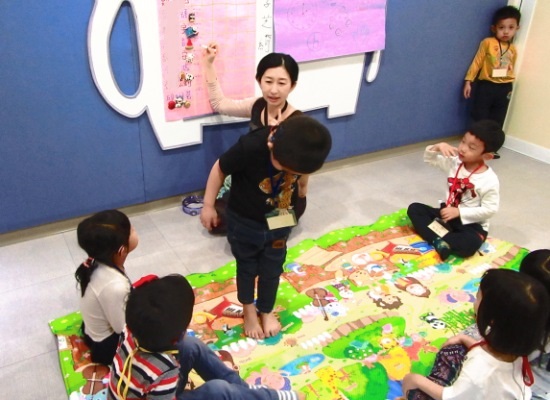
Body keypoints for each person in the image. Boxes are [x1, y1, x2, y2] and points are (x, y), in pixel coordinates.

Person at [200, 115, 332, 339]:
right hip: (244, 220)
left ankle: (266, 309)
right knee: (247, 267)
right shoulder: (251, 146)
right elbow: (219, 168)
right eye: (284, 166)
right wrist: (208, 205)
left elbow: (303, 173)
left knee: (272, 268)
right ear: (271, 142)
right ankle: (249, 310)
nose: (289, 171)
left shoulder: (301, 154)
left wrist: (302, 188)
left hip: (280, 220)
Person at [108, 274, 305, 400]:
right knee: (218, 390)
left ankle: (244, 392)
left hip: (145, 388)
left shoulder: (132, 329)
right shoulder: (163, 370)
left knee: (191, 345)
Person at [399, 268, 550, 400]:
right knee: (454, 349)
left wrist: (415, 380)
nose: (474, 301)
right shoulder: (517, 345)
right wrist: (465, 339)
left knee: (413, 384)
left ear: (492, 317)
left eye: (478, 297)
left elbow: (451, 397)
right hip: (494, 390)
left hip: (468, 392)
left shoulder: (479, 370)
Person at [203, 46, 307, 232]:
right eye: (268, 81)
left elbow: (304, 166)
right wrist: (209, 65)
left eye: (282, 83)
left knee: (272, 229)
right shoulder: (257, 106)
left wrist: (302, 191)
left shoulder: (297, 122)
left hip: (281, 190)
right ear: (259, 80)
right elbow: (220, 104)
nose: (273, 90)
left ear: (292, 85)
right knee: (218, 222)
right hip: (253, 183)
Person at [407, 120, 505, 261]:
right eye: (463, 141)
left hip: (471, 224)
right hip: (446, 214)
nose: (463, 149)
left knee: (468, 245)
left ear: (487, 156)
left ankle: (437, 236)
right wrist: (437, 146)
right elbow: (430, 160)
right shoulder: (455, 163)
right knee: (415, 209)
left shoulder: (489, 180)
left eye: (471, 147)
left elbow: (490, 210)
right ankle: (440, 241)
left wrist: (459, 212)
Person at [74, 209, 139, 365]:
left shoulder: (99, 261)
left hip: (95, 330)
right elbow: (121, 328)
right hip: (106, 346)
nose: (135, 229)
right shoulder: (115, 285)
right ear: (122, 250)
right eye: (131, 230)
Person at [463, 6, 521, 127]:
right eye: (501, 27)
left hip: (505, 86)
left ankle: (492, 137)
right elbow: (477, 61)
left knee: (498, 116)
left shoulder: (513, 49)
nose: (506, 32)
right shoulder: (488, 42)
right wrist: (469, 80)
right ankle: (477, 136)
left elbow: (511, 66)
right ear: (494, 28)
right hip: (487, 85)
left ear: (517, 28)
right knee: (480, 114)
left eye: (511, 27)